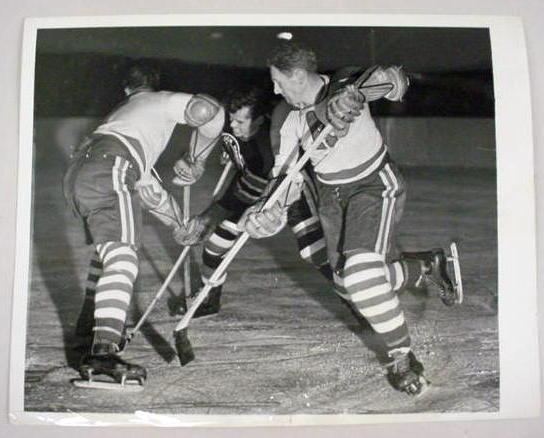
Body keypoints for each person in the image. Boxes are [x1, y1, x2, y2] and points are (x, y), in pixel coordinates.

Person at [238, 42, 461, 396]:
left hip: (373, 186)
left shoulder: (343, 81)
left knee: (360, 278)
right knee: (347, 285)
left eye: (279, 81)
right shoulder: (285, 115)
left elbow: (395, 80)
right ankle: (425, 266)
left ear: (297, 75)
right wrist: (270, 210)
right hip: (331, 198)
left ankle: (402, 357)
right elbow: (286, 176)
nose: (276, 89)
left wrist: (359, 93)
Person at [63, 62, 225, 387]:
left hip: (87, 171)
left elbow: (150, 191)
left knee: (109, 256)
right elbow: (210, 110)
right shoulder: (159, 101)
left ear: (126, 89)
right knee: (123, 257)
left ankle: (87, 339)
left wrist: (179, 224)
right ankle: (103, 351)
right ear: (155, 85)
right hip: (113, 167)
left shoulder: (126, 118)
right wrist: (197, 160)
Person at [173, 87, 336, 317]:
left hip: (292, 193)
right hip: (252, 191)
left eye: (241, 121)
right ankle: (208, 299)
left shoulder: (274, 137)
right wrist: (192, 162)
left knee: (316, 253)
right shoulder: (235, 132)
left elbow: (281, 181)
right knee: (215, 245)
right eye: (232, 120)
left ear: (260, 119)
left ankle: (359, 302)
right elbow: (235, 176)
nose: (234, 126)